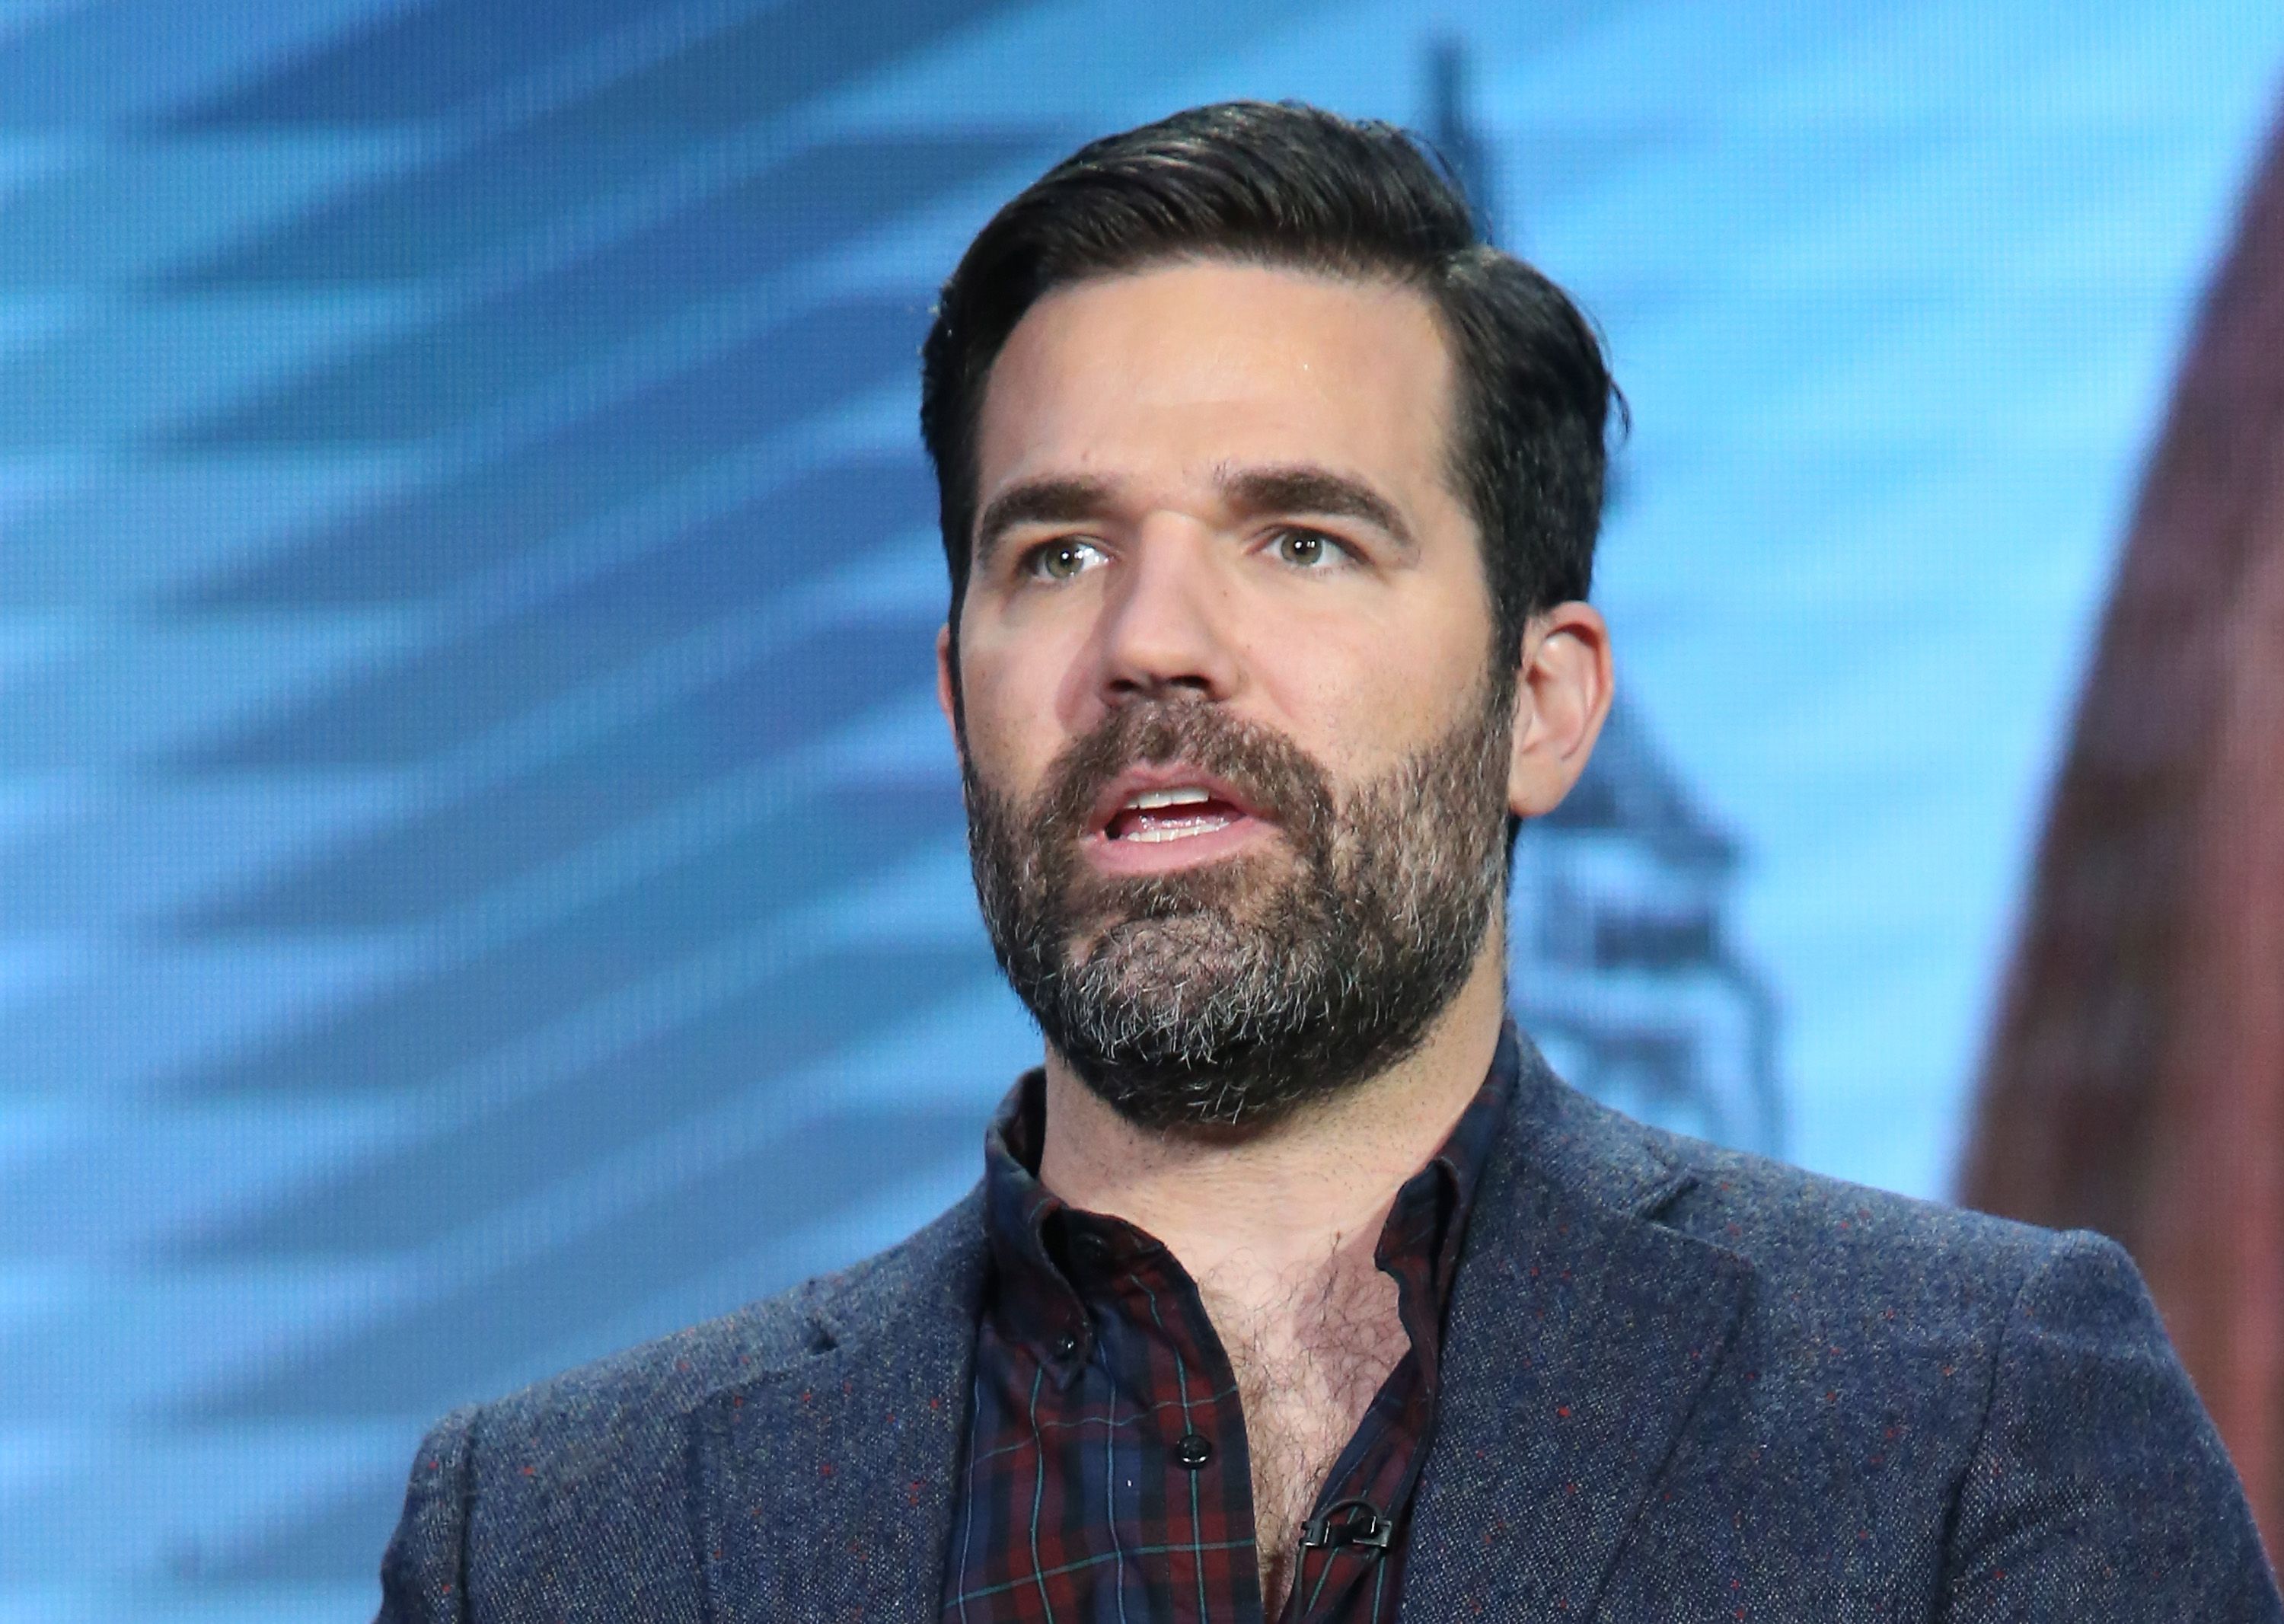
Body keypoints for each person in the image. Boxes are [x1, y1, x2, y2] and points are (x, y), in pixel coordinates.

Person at [375, 101, 2279, 1622]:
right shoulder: (555, 1539)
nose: (1152, 641)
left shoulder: (1971, 1415)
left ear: (1544, 702)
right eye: (1058, 552)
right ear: (961, 697)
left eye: (1299, 537)